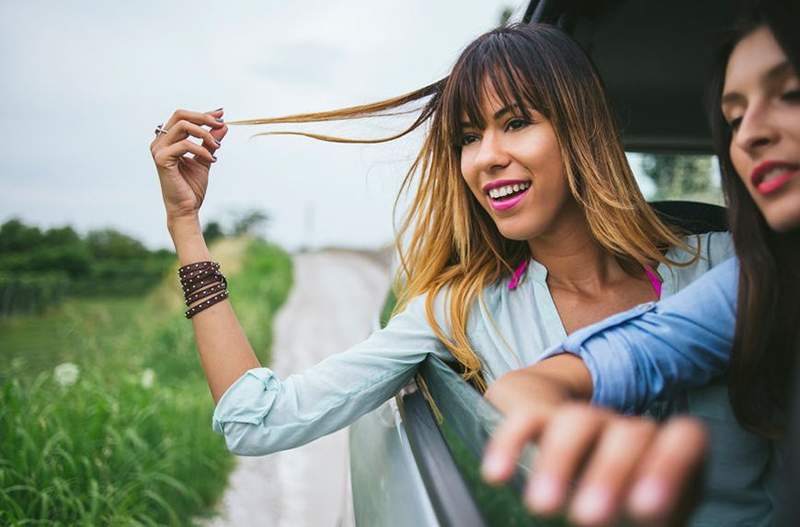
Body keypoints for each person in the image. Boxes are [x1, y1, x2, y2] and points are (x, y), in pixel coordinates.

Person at [148, 24, 730, 465]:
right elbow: (257, 420)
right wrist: (185, 226)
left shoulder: (725, 268)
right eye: (470, 137)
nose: (487, 156)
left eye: (517, 122)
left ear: (580, 128)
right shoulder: (460, 310)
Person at [482, 2, 800, 525]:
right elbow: (545, 379)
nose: (749, 134)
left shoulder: (729, 263)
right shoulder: (756, 285)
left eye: (790, 92)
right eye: (734, 118)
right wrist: (560, 418)